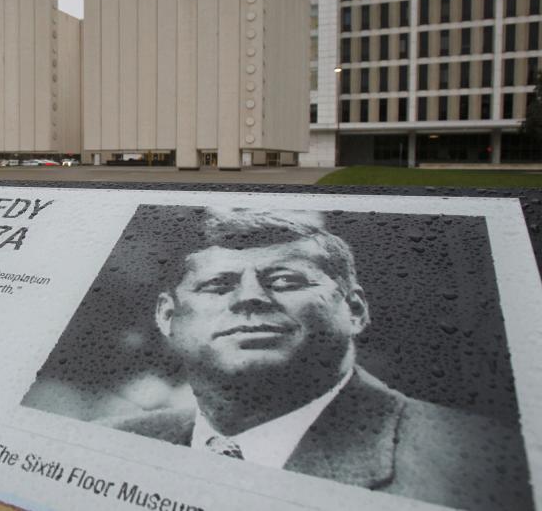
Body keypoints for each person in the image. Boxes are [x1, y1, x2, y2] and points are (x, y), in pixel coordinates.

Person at [102, 208, 532, 510]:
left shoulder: (478, 465)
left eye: (285, 280)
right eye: (218, 285)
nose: (250, 298)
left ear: (356, 309)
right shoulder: (110, 441)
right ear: (167, 316)